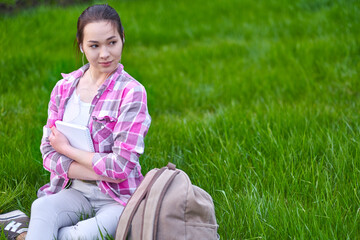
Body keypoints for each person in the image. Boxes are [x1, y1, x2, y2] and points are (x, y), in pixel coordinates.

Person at [0, 4, 151, 240]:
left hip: (117, 198)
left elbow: (121, 168)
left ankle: (21, 233)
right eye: (94, 45)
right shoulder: (63, 89)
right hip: (72, 191)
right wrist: (99, 169)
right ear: (81, 45)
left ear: (123, 38)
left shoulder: (132, 93)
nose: (105, 53)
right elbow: (48, 153)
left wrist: (67, 150)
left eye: (112, 42)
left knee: (75, 237)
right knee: (42, 208)